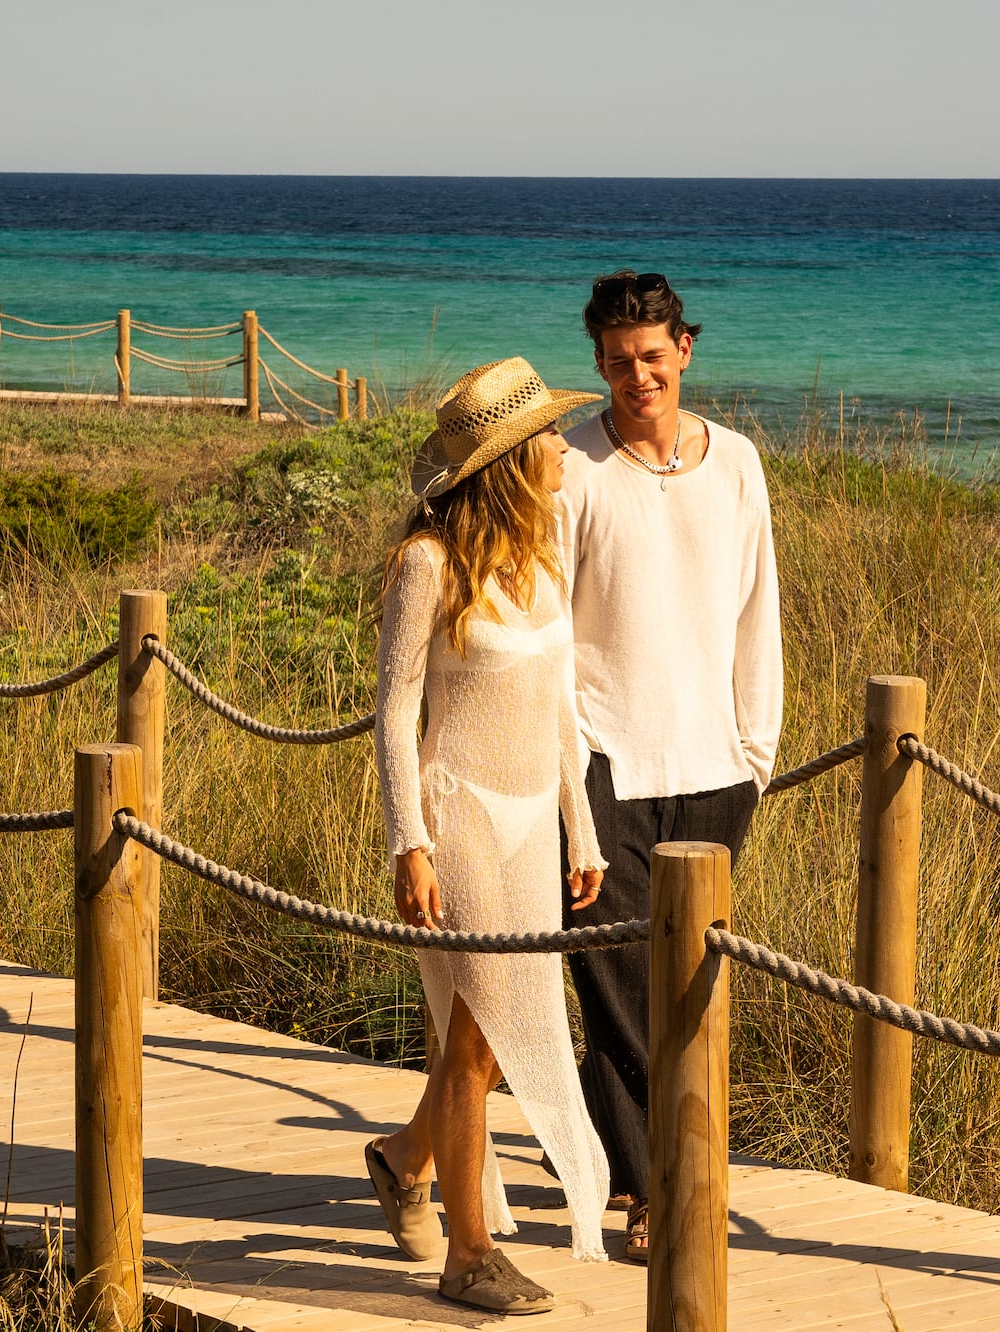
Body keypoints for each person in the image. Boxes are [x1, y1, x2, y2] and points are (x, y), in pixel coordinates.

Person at [365, 357, 615, 1314]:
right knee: (477, 1040)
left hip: (530, 827)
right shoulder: (428, 563)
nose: (563, 444)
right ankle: (467, 1257)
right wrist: (409, 841)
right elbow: (394, 714)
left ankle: (403, 1158)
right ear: (510, 459)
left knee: (493, 1035)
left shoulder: (542, 547)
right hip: (462, 814)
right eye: (548, 434)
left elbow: (558, 708)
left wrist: (580, 830)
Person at [557, 270, 783, 1264]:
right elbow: (548, 635)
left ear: (684, 348)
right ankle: (653, 1191)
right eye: (616, 361)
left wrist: (754, 756)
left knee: (687, 986)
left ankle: (657, 1168)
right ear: (597, 363)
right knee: (611, 987)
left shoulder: (734, 462)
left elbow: (756, 611)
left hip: (711, 769)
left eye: (652, 356)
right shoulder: (565, 465)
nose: (636, 376)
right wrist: (568, 783)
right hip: (601, 767)